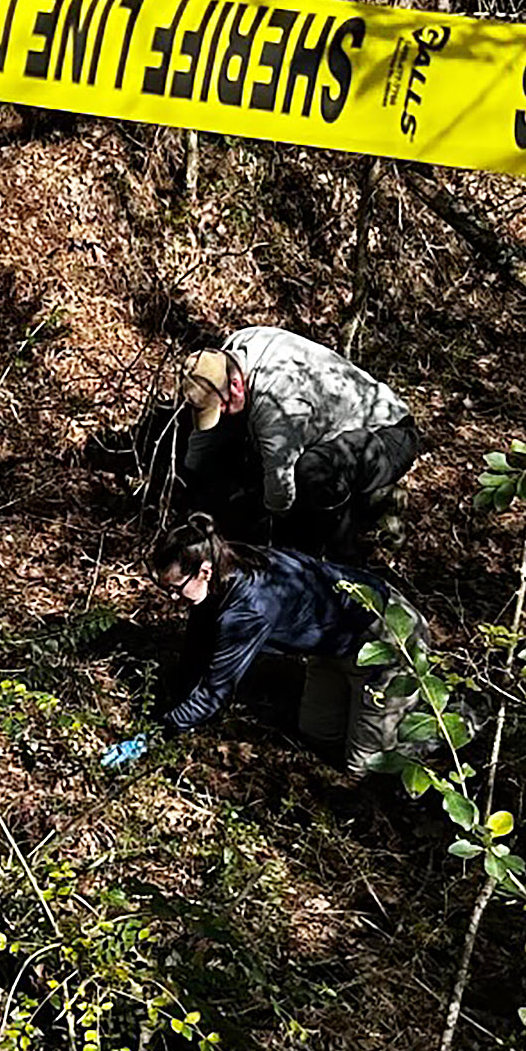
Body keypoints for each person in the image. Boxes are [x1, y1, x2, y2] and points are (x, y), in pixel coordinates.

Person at [102, 522, 441, 767]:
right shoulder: (224, 566)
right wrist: (175, 694)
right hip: (331, 645)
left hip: (386, 637)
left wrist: (154, 737)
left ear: (204, 571)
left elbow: (215, 692)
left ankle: (448, 724)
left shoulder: (248, 609)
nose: (173, 598)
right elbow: (198, 642)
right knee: (318, 734)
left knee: (365, 766)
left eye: (176, 589)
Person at [152, 327, 422, 553]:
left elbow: (280, 491)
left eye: (219, 407)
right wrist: (189, 476)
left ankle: (352, 536)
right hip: (330, 429)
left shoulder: (276, 403)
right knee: (244, 443)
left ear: (236, 385)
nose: (219, 414)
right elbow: (208, 432)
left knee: (312, 475)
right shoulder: (228, 354)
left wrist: (273, 529)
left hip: (388, 436)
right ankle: (362, 494)